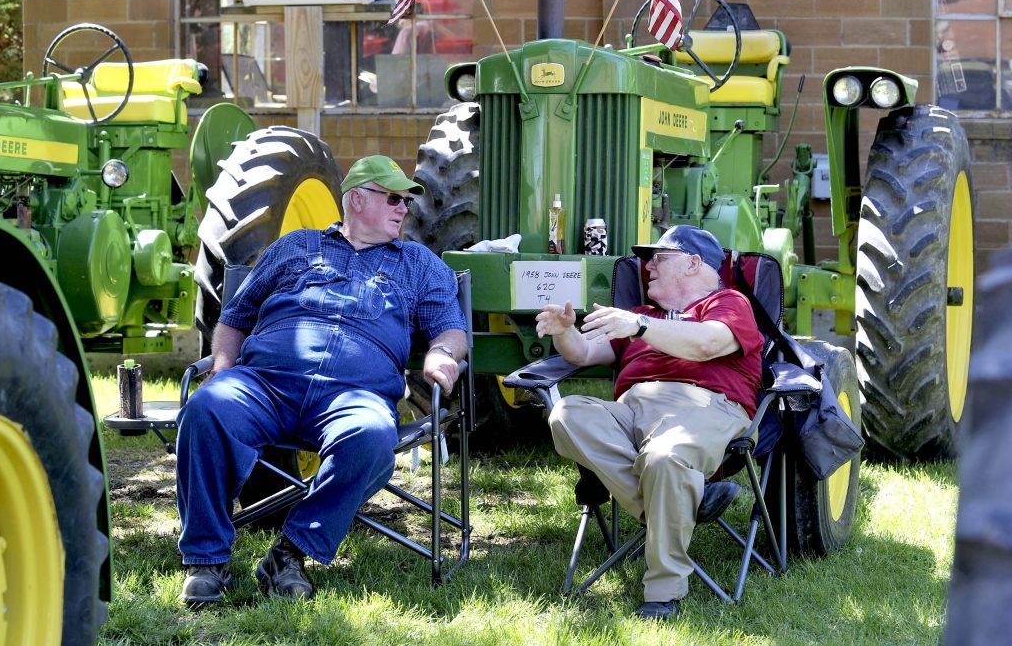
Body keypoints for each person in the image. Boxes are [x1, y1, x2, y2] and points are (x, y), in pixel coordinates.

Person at [175, 155, 468, 606]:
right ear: (357, 199)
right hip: (266, 385)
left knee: (372, 435)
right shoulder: (296, 246)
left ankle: (289, 553)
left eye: (407, 201)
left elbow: (450, 327)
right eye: (393, 198)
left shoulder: (418, 263)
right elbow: (235, 316)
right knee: (206, 407)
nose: (403, 209)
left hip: (353, 397)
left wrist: (442, 355)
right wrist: (222, 366)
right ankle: (206, 559)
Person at [535, 225, 763, 620]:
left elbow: (708, 343)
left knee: (665, 457)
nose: (648, 267)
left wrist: (640, 327)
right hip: (633, 408)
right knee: (567, 415)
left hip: (706, 407)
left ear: (693, 263)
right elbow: (584, 353)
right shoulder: (640, 315)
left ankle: (662, 592)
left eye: (659, 258)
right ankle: (684, 501)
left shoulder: (728, 303)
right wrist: (564, 331)